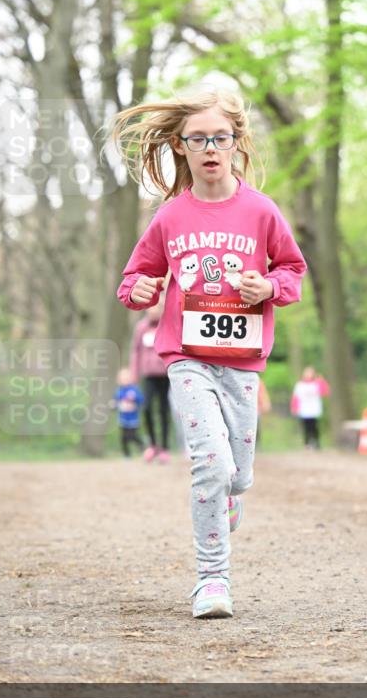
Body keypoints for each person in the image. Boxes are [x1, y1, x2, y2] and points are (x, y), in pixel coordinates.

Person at [113, 86, 306, 618]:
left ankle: (231, 495)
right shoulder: (171, 216)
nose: (209, 148)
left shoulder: (261, 212)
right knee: (209, 463)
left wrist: (268, 288)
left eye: (219, 137)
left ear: (236, 142)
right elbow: (134, 278)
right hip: (187, 357)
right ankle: (212, 579)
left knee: (237, 474)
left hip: (242, 362)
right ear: (180, 146)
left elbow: (292, 270)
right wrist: (142, 292)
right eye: (197, 139)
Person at [131, 299, 171, 463]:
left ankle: (165, 447)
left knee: (163, 409)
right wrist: (134, 373)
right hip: (148, 375)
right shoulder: (141, 327)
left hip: (166, 374)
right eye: (151, 307)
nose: (154, 310)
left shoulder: (167, 325)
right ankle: (153, 445)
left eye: (158, 307)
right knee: (146, 407)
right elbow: (135, 351)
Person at [290, 367, 330, 449]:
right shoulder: (300, 385)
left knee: (314, 427)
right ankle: (307, 443)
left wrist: (322, 381)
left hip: (314, 410)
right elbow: (296, 397)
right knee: (306, 427)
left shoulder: (316, 384)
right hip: (304, 410)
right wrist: (294, 407)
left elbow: (325, 392)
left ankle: (316, 442)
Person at [111, 368, 145, 457]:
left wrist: (134, 398)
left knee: (132, 436)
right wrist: (113, 405)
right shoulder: (119, 392)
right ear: (118, 380)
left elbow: (141, 400)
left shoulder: (134, 390)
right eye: (122, 379)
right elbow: (115, 403)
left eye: (126, 378)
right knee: (123, 438)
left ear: (131, 379)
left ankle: (142, 447)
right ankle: (126, 454)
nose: (124, 381)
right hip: (123, 419)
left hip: (133, 419)